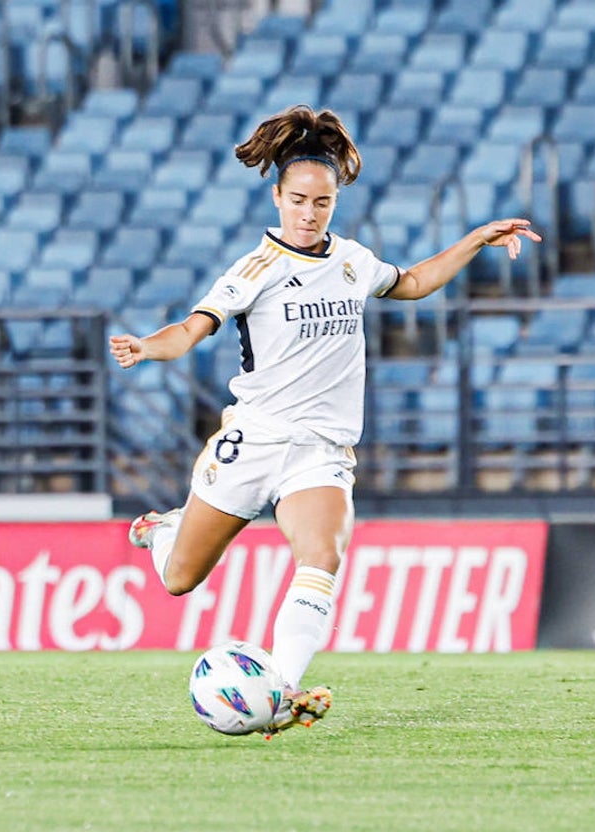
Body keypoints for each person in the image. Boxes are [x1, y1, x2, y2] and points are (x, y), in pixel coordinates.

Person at [110, 104, 541, 736]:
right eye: (300, 200)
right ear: (278, 198)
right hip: (254, 440)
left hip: (320, 450)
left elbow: (415, 281)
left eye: (324, 202)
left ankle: (280, 691)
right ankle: (162, 530)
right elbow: (193, 328)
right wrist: (149, 345)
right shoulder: (255, 271)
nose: (310, 214)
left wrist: (475, 239)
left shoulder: (352, 260)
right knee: (180, 579)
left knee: (322, 554)